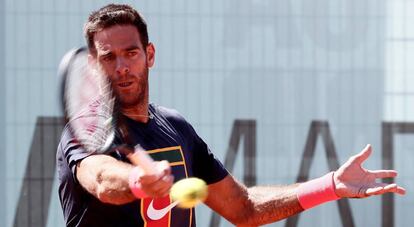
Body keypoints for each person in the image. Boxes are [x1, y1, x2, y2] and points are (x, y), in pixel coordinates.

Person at [56, 4, 406, 227]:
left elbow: (244, 208)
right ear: (93, 65)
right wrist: (138, 182)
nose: (121, 67)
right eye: (108, 57)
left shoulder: (175, 127)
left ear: (149, 55)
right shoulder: (85, 128)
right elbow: (100, 179)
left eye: (130, 53)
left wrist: (330, 186)